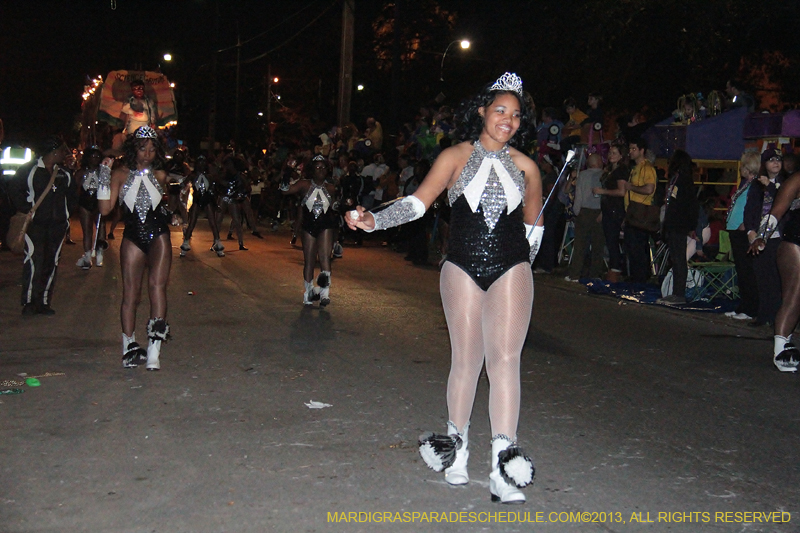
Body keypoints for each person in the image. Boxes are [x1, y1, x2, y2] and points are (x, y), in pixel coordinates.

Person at [347, 73, 541, 504]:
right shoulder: (455, 156)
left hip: (511, 267)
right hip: (462, 266)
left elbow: (533, 224)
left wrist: (525, 258)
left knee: (505, 360)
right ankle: (456, 449)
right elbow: (417, 204)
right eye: (500, 111)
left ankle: (501, 468)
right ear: (482, 113)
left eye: (515, 114)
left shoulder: (528, 167)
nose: (507, 120)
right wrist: (374, 220)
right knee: (467, 360)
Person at [97, 126, 171, 370]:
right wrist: (104, 175)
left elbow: (163, 202)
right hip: (132, 235)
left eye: (152, 149)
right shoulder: (120, 174)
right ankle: (129, 346)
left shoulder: (160, 174)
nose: (147, 153)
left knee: (157, 287)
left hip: (158, 233)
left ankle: (154, 349)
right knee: (131, 294)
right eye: (143, 148)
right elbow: (105, 210)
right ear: (134, 149)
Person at [9, 137, 76, 315]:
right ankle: (29, 301)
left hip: (57, 226)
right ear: (53, 152)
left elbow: (72, 196)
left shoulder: (64, 173)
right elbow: (14, 190)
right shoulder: (29, 170)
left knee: (51, 262)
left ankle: (44, 302)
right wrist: (27, 209)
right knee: (33, 260)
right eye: (62, 150)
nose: (65, 153)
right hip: (35, 225)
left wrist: (65, 215)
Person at [750, 166, 800, 372]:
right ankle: (780, 347)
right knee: (795, 295)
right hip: (796, 243)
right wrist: (762, 236)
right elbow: (776, 212)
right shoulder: (798, 179)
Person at [281, 154, 338, 306]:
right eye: (317, 167)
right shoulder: (303, 184)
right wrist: (287, 170)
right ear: (312, 170)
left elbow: (335, 208)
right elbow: (285, 190)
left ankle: (324, 293)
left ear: (327, 170)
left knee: (325, 257)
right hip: (308, 226)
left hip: (325, 225)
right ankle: (309, 292)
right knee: (310, 261)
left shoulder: (331, 188)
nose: (320, 170)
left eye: (323, 167)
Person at [744, 148, 786, 326]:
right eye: (771, 160)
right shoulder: (756, 185)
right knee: (761, 276)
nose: (776, 163)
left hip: (778, 236)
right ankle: (763, 315)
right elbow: (750, 209)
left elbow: (785, 200)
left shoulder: (787, 182)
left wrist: (770, 185)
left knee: (777, 278)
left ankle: (778, 318)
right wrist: (750, 231)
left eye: (778, 159)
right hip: (760, 237)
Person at [657, 150, 699, 305]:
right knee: (675, 259)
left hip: (679, 225)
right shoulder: (678, 179)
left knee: (679, 259)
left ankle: (679, 294)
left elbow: (691, 206)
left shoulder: (684, 181)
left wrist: (690, 226)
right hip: (674, 224)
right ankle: (675, 292)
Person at [592, 144, 629, 282]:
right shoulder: (611, 170)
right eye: (610, 153)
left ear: (621, 155)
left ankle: (615, 271)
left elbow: (621, 191)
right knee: (610, 240)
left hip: (615, 209)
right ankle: (613, 269)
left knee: (613, 241)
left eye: (614, 153)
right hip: (608, 208)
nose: (611, 155)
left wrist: (603, 192)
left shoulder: (620, 171)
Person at [565, 153, 605, 281]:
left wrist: (577, 211)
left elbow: (579, 195)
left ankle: (575, 274)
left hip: (584, 211)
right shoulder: (605, 175)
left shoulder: (582, 175)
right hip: (599, 211)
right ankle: (595, 274)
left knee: (580, 245)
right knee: (598, 245)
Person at [623, 138, 657, 283]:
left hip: (641, 213)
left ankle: (641, 278)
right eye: (630, 149)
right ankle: (636, 277)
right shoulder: (635, 168)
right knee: (632, 247)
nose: (631, 152)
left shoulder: (647, 168)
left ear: (642, 150)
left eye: (634, 149)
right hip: (632, 212)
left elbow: (649, 189)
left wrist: (631, 188)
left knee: (638, 247)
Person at [180, 154, 225, 257]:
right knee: (192, 223)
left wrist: (215, 203)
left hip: (207, 199)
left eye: (203, 163)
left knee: (212, 222)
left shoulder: (210, 176)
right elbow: (183, 184)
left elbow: (214, 190)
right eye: (199, 163)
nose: (201, 164)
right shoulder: (193, 175)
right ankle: (185, 243)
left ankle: (217, 243)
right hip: (197, 199)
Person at [75, 146, 107, 269]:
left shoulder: (103, 172)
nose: (95, 159)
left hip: (99, 203)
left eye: (97, 156)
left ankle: (99, 253)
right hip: (85, 203)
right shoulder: (81, 172)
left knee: (101, 228)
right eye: (93, 156)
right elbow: (75, 189)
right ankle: (87, 257)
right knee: (87, 230)